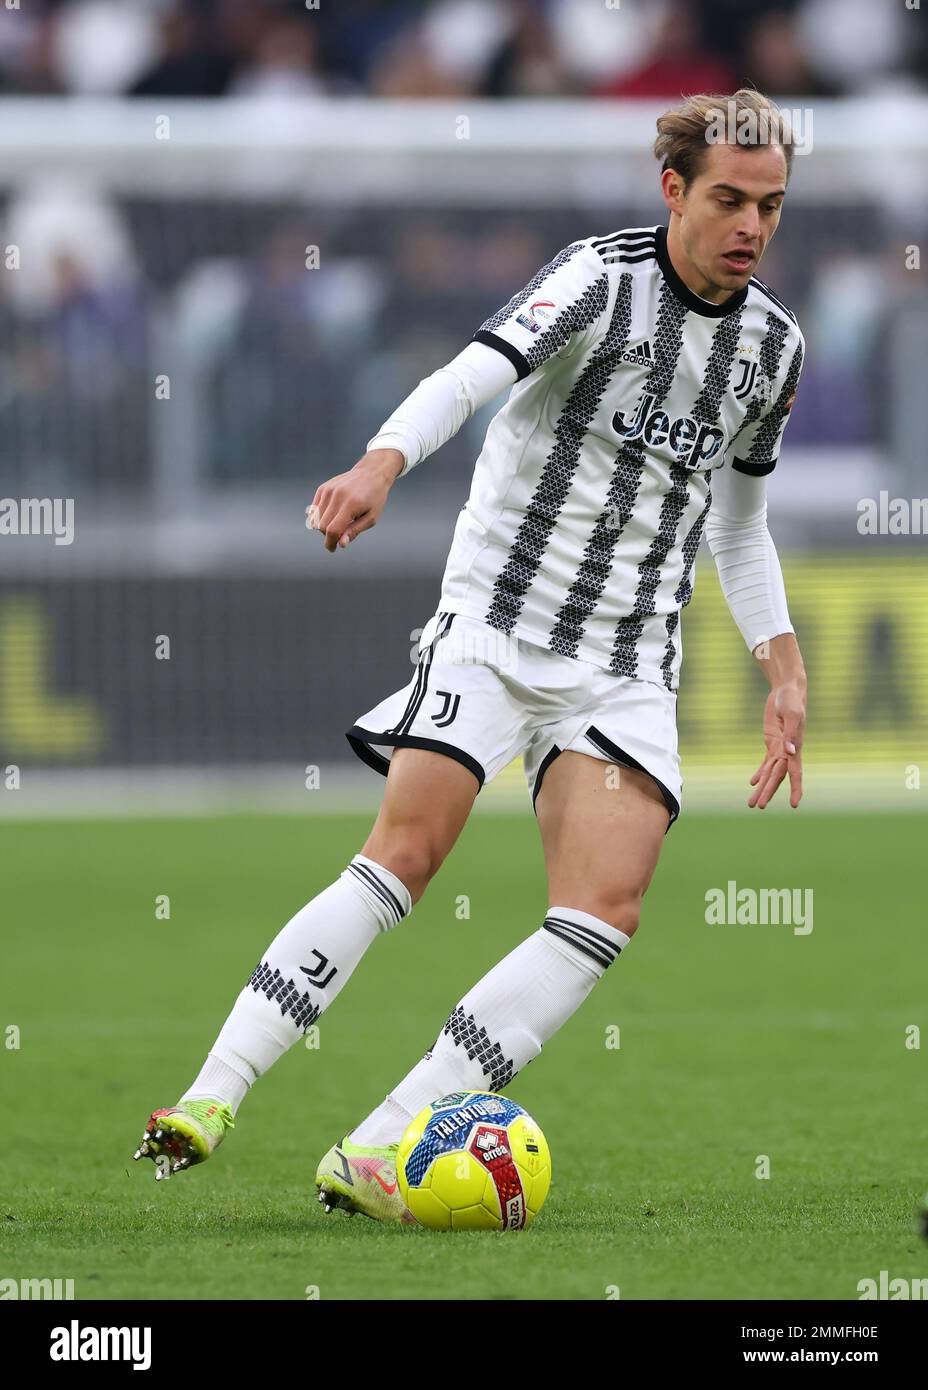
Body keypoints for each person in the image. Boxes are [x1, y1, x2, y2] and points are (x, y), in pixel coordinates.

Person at [134, 88, 808, 1223]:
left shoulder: (773, 352)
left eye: (773, 207)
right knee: (404, 854)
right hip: (494, 626)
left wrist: (781, 668)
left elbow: (737, 528)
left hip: (626, 660)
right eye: (730, 199)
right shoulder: (596, 279)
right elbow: (467, 377)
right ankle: (210, 1095)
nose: (751, 226)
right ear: (673, 190)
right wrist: (380, 464)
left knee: (603, 909)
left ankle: (384, 1141)